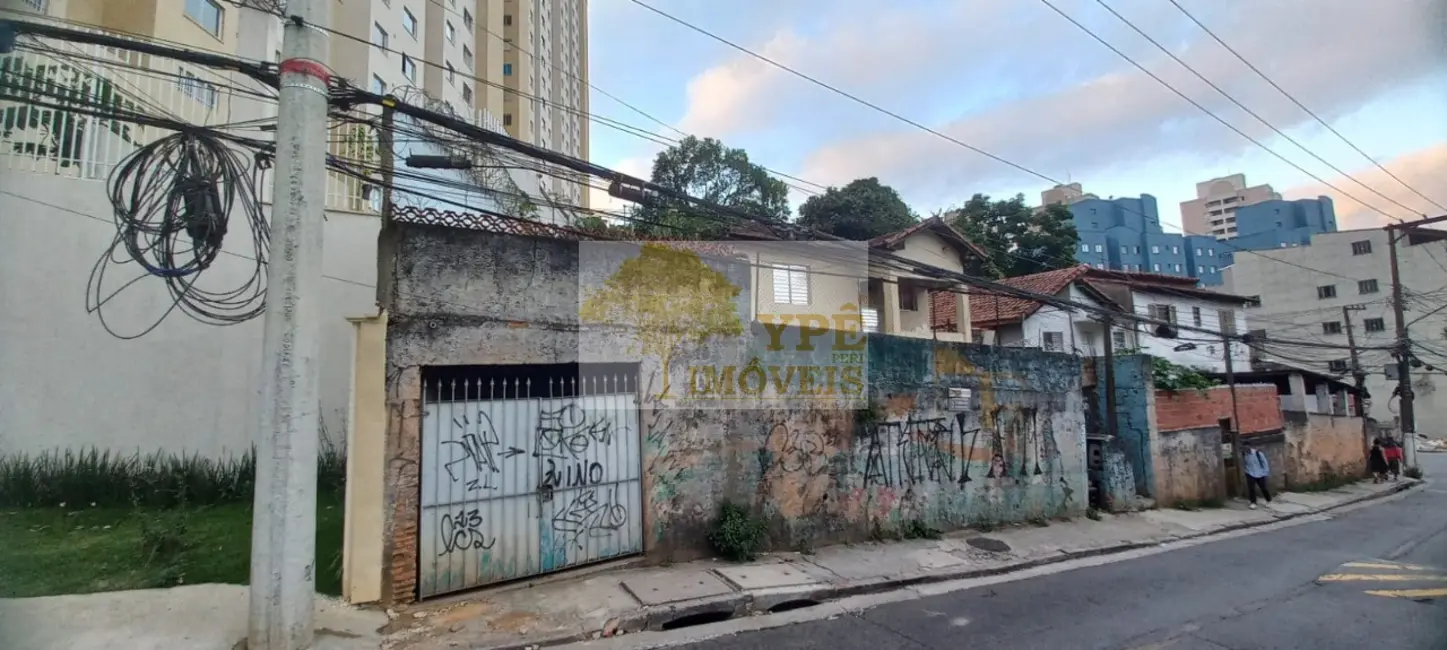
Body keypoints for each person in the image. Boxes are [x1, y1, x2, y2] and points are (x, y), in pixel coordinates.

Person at [1241, 440, 1273, 509]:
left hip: (1260, 473)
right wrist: (1246, 471)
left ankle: (1268, 500)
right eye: (1244, 448)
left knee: (1263, 488)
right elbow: (1245, 463)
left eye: (1247, 447)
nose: (1246, 449)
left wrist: (1265, 472)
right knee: (1251, 488)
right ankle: (1253, 502)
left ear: (1250, 446)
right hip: (1250, 473)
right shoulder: (1244, 454)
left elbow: (1264, 463)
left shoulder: (1257, 453)